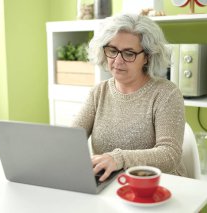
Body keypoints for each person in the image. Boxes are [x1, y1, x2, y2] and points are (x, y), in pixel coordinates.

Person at [71, 13, 187, 182]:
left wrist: (119, 159)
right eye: (112, 50)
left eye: (129, 53)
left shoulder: (166, 94)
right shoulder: (98, 92)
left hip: (159, 186)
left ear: (147, 56)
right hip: (110, 184)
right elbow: (72, 138)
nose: (118, 60)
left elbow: (170, 155)